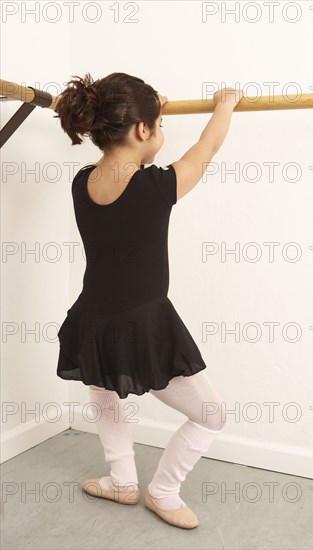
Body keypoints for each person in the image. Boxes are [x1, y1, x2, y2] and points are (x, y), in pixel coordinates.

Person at [54, 72, 243, 529]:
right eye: (158, 125)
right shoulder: (157, 187)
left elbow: (126, 161)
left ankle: (122, 479)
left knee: (106, 399)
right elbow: (207, 148)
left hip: (92, 321)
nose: (161, 133)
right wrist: (225, 105)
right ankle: (162, 490)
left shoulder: (82, 183)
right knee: (211, 415)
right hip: (142, 325)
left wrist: (148, 110)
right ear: (142, 130)